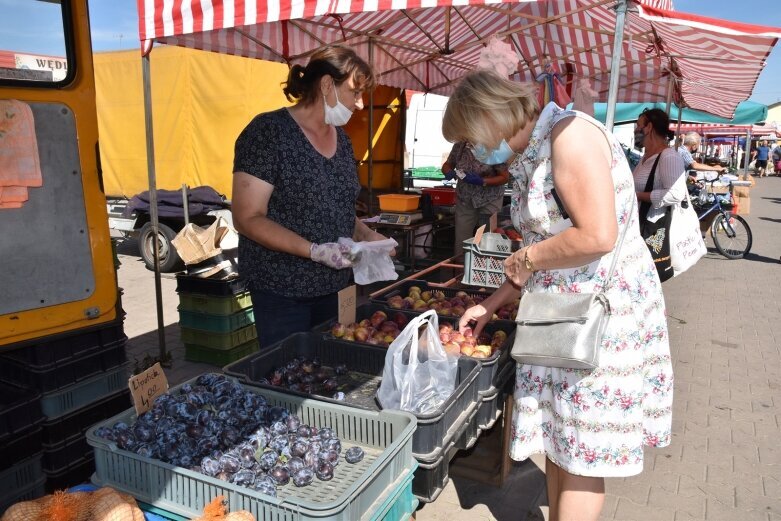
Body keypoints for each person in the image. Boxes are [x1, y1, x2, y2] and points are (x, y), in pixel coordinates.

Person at [444, 70, 673, 521]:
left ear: (492, 116)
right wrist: (489, 306)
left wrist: (527, 260)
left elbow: (597, 234)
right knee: (560, 442)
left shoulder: (570, 137)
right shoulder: (534, 150)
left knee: (583, 456)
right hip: (557, 319)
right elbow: (539, 250)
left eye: (471, 139)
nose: (473, 152)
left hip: (596, 323)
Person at [232, 46, 391, 347]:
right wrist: (314, 250)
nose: (360, 105)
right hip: (282, 291)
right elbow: (247, 217)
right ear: (327, 84)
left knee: (331, 369)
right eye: (355, 93)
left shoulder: (342, 140)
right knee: (288, 375)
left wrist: (368, 235)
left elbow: (338, 207)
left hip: (336, 288)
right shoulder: (268, 133)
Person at [441, 142, 509, 255]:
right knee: (462, 238)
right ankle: (461, 268)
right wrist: (448, 171)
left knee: (490, 238)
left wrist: (483, 181)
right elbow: (447, 164)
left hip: (489, 198)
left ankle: (487, 268)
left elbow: (504, 177)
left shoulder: (493, 146)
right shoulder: (459, 146)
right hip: (465, 198)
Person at [633, 109, 688, 241]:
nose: (636, 130)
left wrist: (639, 196)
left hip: (654, 231)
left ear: (649, 127)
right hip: (640, 226)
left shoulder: (669, 157)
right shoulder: (645, 157)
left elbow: (676, 194)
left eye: (638, 125)